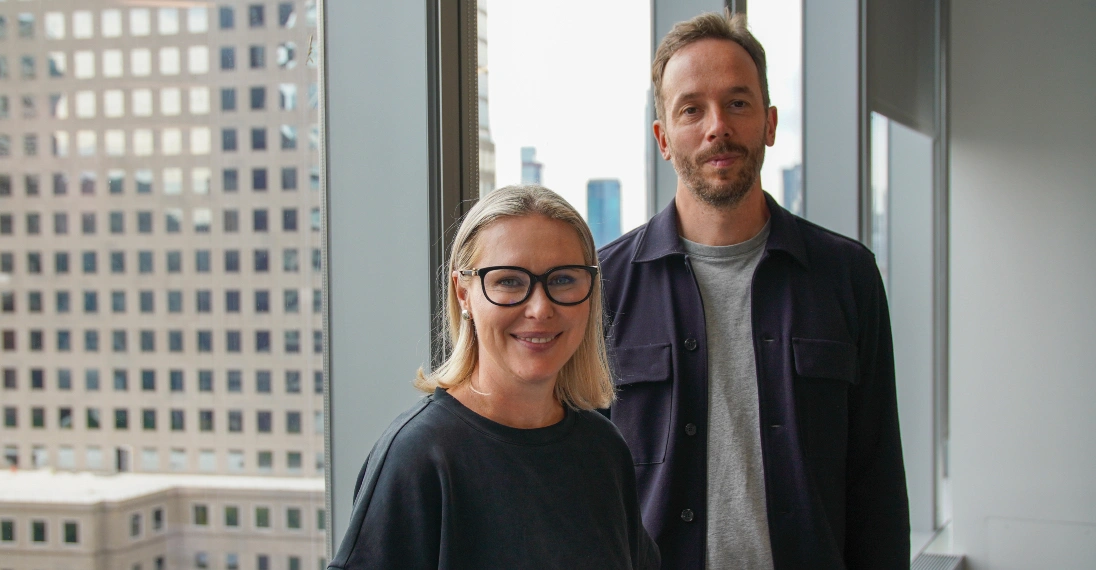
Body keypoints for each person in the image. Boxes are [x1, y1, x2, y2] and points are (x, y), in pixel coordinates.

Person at [597, 11, 909, 570]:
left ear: (768, 123)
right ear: (664, 138)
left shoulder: (847, 276)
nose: (718, 126)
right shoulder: (605, 286)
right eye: (691, 109)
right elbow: (582, 487)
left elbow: (876, 479)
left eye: (738, 103)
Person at [328, 185, 660, 569]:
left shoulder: (603, 449)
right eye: (509, 281)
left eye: (563, 279)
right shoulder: (418, 457)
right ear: (464, 293)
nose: (540, 308)